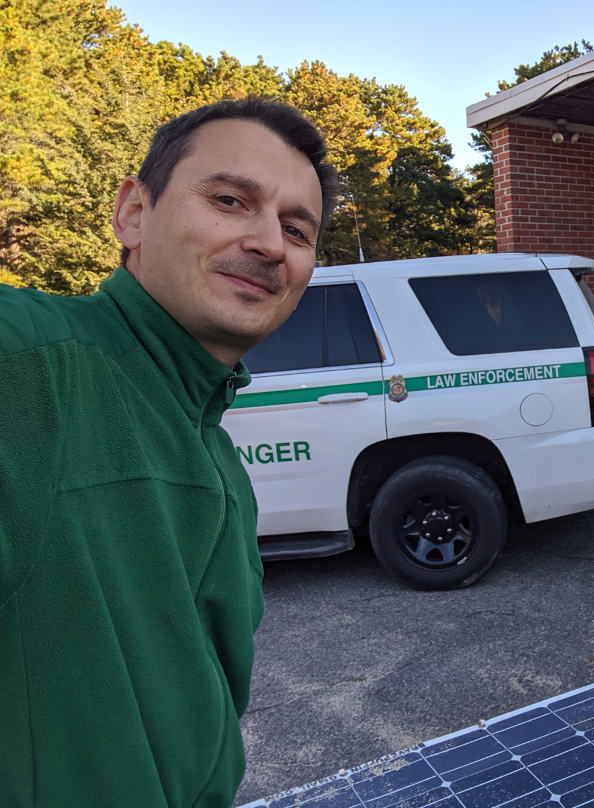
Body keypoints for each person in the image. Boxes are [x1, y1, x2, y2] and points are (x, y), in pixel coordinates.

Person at [0, 97, 336, 807]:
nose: (270, 243)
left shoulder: (214, 452)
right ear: (132, 213)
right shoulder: (29, 361)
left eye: (296, 229)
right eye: (229, 200)